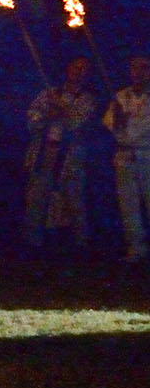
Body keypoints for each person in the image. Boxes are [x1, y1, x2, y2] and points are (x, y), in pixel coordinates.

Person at [24, 57, 99, 249]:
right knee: (36, 200)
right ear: (68, 68)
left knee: (74, 202)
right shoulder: (49, 94)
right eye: (76, 67)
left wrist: (63, 110)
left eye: (83, 69)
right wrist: (46, 116)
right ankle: (34, 243)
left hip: (70, 157)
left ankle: (80, 245)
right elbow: (31, 116)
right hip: (44, 154)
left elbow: (78, 123)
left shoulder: (87, 99)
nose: (79, 71)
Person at [102, 54, 150, 264]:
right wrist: (118, 119)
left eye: (143, 68)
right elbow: (110, 124)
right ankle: (136, 248)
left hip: (146, 153)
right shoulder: (120, 96)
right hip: (123, 155)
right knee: (128, 204)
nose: (138, 73)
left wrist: (127, 121)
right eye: (134, 68)